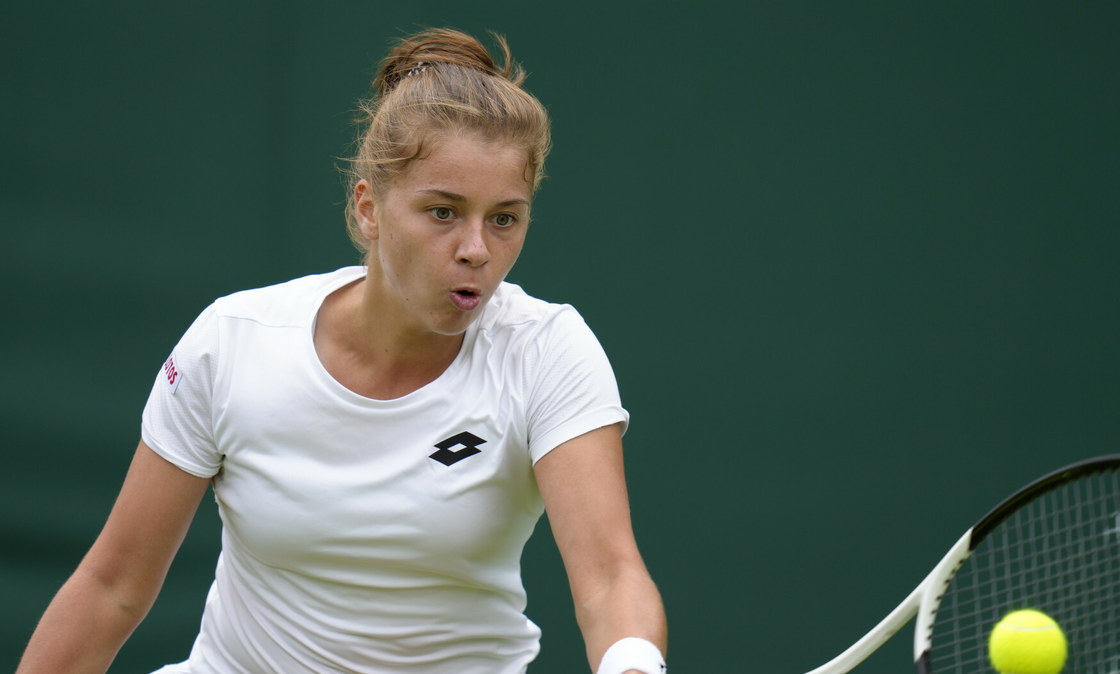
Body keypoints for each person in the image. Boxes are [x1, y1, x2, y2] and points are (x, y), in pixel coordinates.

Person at [17, 28, 667, 674]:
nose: (476, 248)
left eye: (504, 218)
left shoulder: (547, 352)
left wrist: (633, 663)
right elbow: (111, 587)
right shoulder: (234, 342)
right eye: (443, 212)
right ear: (368, 209)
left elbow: (611, 580)